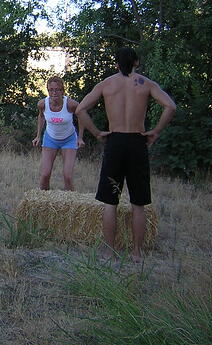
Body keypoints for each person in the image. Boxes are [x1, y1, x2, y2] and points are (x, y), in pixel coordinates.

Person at [75, 47, 176, 262]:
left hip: (116, 141)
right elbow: (170, 106)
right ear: (136, 63)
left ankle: (108, 251)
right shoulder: (146, 84)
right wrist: (156, 131)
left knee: (110, 202)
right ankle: (137, 253)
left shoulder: (107, 84)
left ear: (116, 64)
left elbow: (80, 109)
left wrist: (96, 133)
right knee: (138, 202)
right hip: (137, 141)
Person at [32, 77, 84, 191]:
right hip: (50, 139)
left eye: (57, 90)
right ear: (47, 90)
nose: (54, 93)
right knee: (45, 174)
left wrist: (80, 138)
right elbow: (41, 116)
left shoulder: (71, 104)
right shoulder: (42, 104)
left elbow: (81, 117)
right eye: (51, 90)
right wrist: (38, 136)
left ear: (62, 90)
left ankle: (71, 203)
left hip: (69, 140)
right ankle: (43, 201)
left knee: (68, 176)